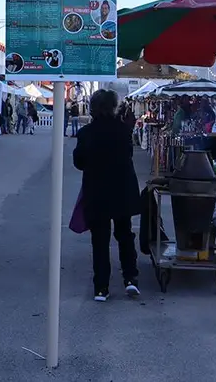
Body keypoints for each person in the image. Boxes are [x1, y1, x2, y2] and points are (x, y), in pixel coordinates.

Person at [73, 89, 140, 302]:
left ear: (92, 108)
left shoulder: (86, 133)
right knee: (125, 235)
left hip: (97, 192)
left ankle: (101, 288)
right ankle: (130, 279)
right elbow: (128, 155)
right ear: (114, 107)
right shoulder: (124, 131)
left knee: (100, 240)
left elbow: (79, 163)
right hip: (122, 190)